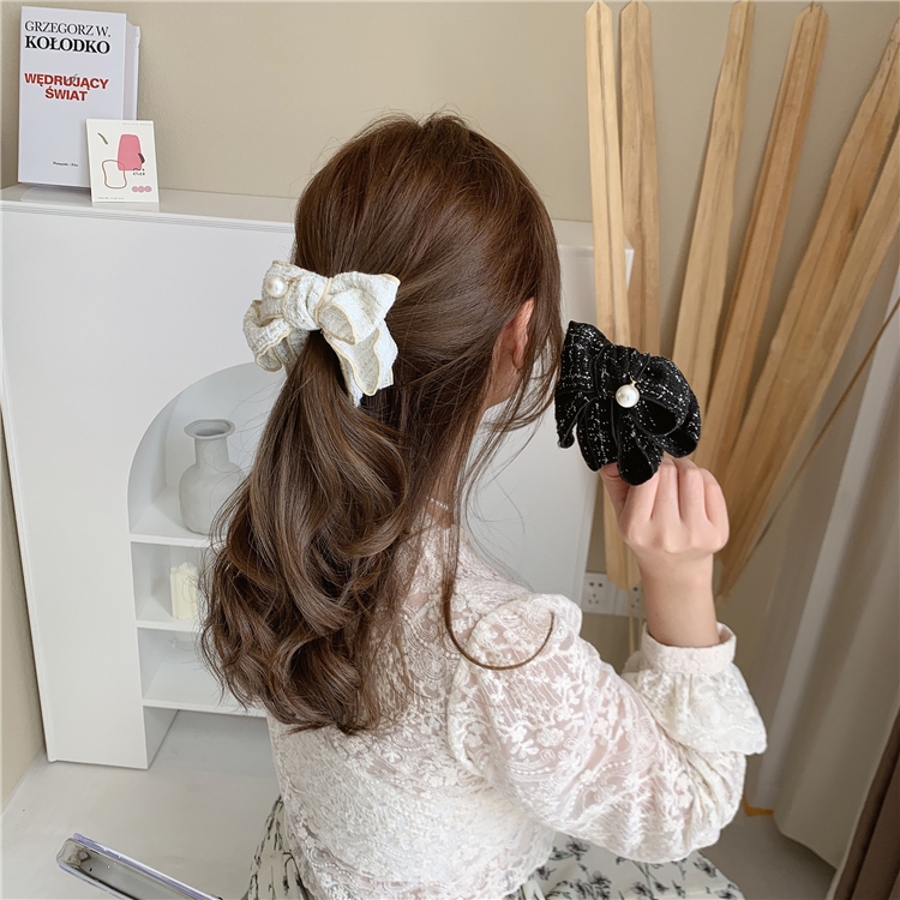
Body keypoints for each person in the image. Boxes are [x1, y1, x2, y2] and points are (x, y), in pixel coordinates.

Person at [198, 113, 767, 900]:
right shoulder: (495, 647)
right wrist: (681, 578)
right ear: (520, 334)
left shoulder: (276, 522)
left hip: (302, 872)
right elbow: (691, 804)